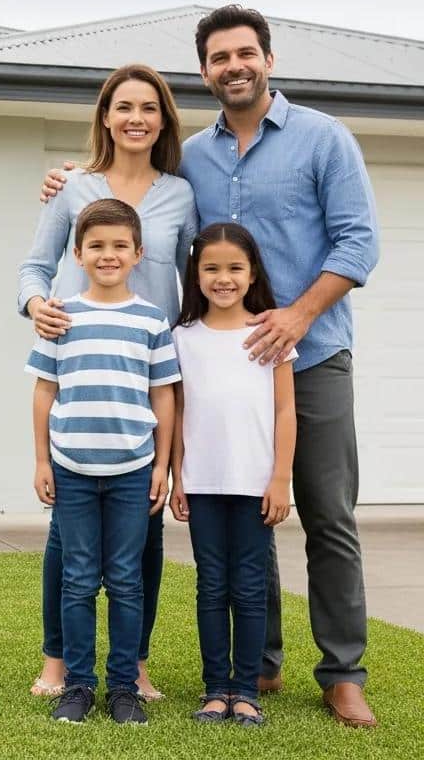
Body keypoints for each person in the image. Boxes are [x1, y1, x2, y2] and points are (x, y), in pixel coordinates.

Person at [41, 5, 380, 727]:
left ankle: (342, 672)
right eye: (220, 57)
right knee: (243, 508)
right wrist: (75, 180)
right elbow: (135, 202)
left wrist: (296, 315)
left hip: (308, 355)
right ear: (205, 72)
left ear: (269, 58)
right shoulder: (192, 155)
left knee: (325, 514)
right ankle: (259, 663)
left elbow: (357, 244)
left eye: (245, 53)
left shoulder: (324, 138)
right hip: (210, 365)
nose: (235, 66)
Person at [19, 63, 197, 701]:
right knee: (65, 542)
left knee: (142, 534)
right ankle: (58, 659)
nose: (136, 119)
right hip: (81, 365)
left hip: (147, 370)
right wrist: (36, 305)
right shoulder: (72, 185)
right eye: (123, 107)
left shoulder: (180, 192)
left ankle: (136, 661)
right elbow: (36, 268)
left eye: (149, 108)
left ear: (163, 120)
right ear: (104, 115)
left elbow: (195, 279)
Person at [26, 198, 179, 725]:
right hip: (71, 468)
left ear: (139, 253)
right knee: (77, 578)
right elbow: (45, 392)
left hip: (133, 471)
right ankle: (78, 684)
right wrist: (42, 461)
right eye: (96, 246)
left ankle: (123, 688)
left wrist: (161, 466)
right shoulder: (61, 316)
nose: (108, 255)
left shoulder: (152, 320)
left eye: (119, 246)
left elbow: (163, 396)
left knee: (126, 580)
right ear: (78, 252)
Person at [169, 223, 297, 727]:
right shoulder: (184, 338)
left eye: (234, 268)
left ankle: (246, 690)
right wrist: (179, 478)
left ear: (252, 274)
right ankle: (215, 689)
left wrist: (280, 478)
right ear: (196, 275)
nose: (223, 278)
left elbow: (286, 410)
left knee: (249, 588)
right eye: (212, 269)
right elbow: (178, 412)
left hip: (253, 485)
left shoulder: (271, 333)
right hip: (202, 484)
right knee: (210, 587)